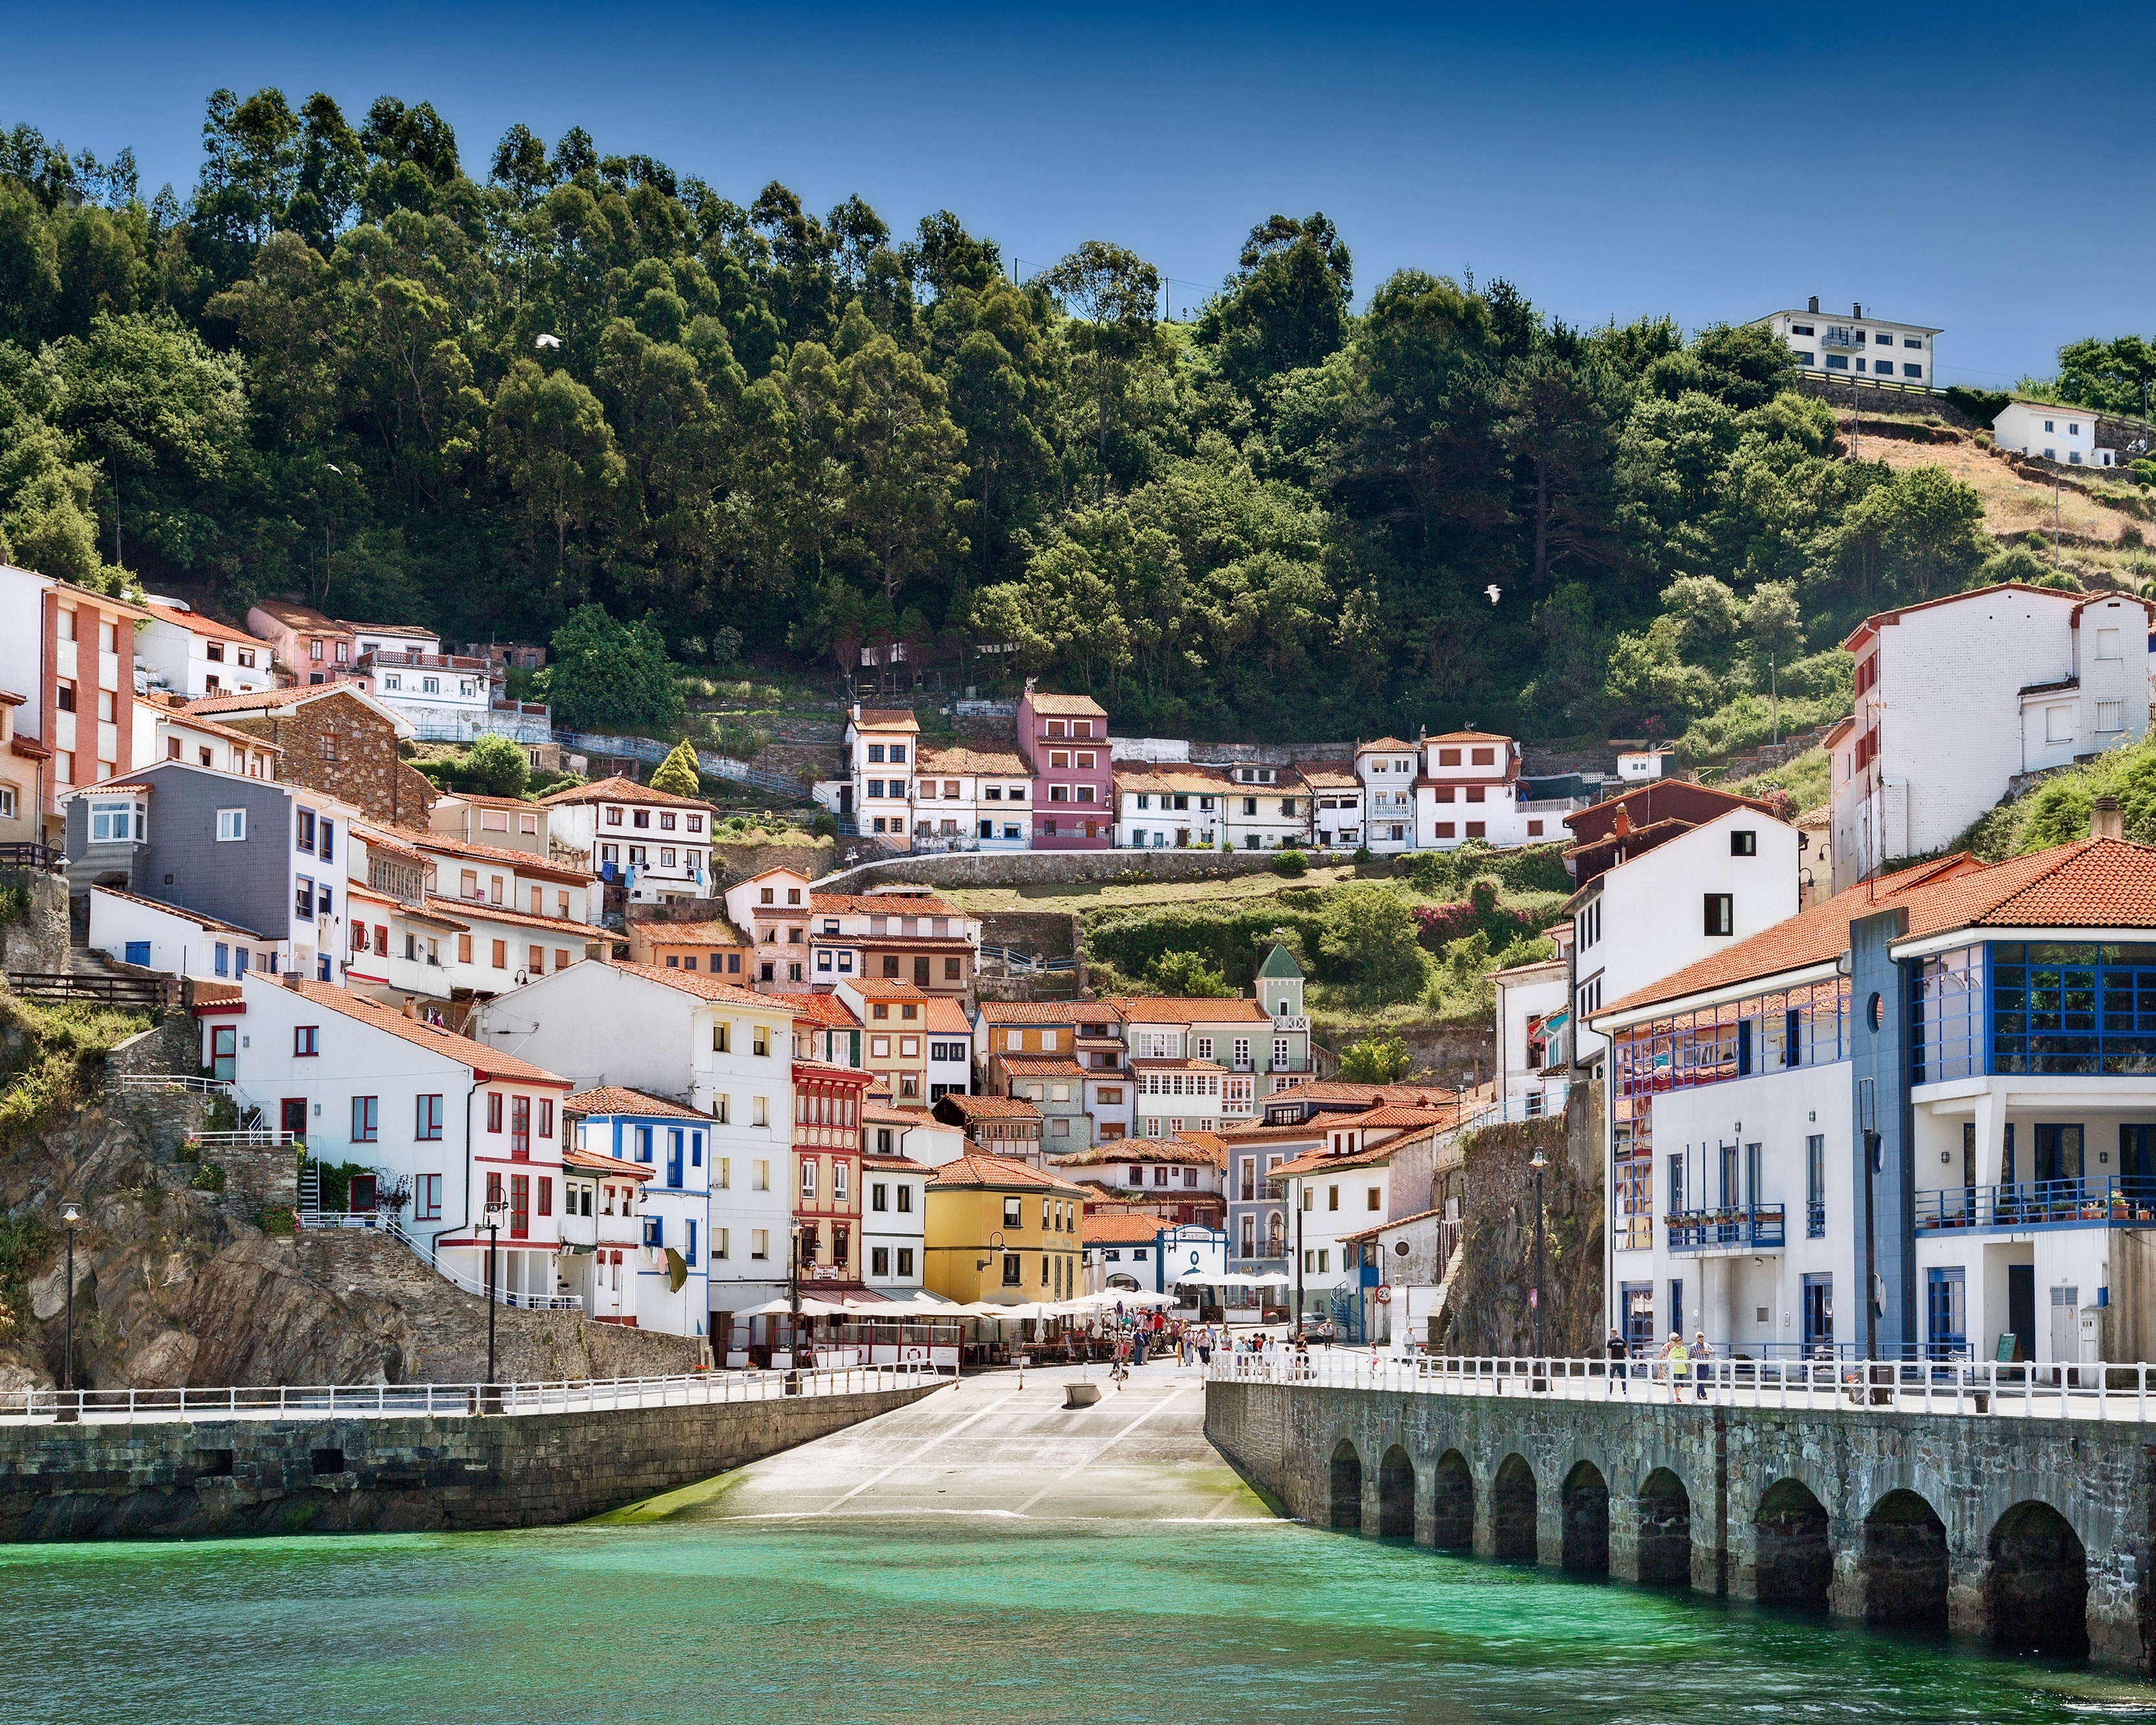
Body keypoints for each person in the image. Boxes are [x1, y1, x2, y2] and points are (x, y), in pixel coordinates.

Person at [1657, 1331, 1689, 1404]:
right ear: (1671, 1340)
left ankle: (1676, 1392)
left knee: (1679, 1383)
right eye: (1675, 1340)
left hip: (1676, 1367)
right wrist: (1660, 1368)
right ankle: (1673, 1396)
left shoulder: (1679, 1347)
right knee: (1669, 1382)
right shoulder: (1665, 1347)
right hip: (1666, 1367)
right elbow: (1660, 1356)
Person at [1691, 1330, 1714, 1403]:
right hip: (1698, 1366)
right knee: (1700, 1380)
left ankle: (1697, 1394)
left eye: (1702, 1337)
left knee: (1703, 1380)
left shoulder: (1707, 1345)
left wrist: (1706, 1351)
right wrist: (1690, 1366)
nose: (1701, 1338)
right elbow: (1690, 1356)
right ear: (1697, 1338)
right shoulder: (1693, 1346)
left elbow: (1713, 1352)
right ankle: (1704, 1395)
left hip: (1706, 1365)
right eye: (1699, 1337)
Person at [1606, 1327, 1629, 1397]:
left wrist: (1609, 1361)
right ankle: (1625, 1390)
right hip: (1621, 1361)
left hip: (1614, 1361)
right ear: (1617, 1333)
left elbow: (1610, 1351)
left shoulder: (1610, 1341)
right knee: (1623, 1376)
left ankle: (1609, 1390)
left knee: (1611, 1376)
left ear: (1611, 1333)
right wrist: (1628, 1359)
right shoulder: (1622, 1341)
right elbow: (1626, 1351)